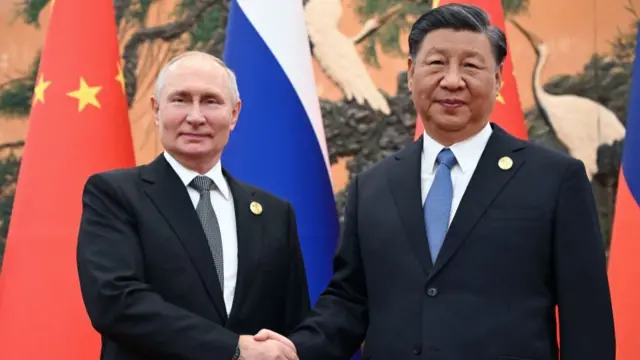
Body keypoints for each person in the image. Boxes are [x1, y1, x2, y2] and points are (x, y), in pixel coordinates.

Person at [256, 4, 616, 360]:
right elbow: (350, 302)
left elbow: (587, 321)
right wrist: (292, 352)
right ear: (412, 73)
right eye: (437, 63)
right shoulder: (374, 186)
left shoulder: (554, 179)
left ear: (498, 79)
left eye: (471, 66)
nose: (452, 80)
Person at [76, 51, 306, 360]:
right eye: (180, 100)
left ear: (235, 113)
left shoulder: (275, 214)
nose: (195, 117)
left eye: (211, 101)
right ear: (156, 110)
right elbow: (116, 303)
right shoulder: (115, 195)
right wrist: (232, 349)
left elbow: (292, 325)